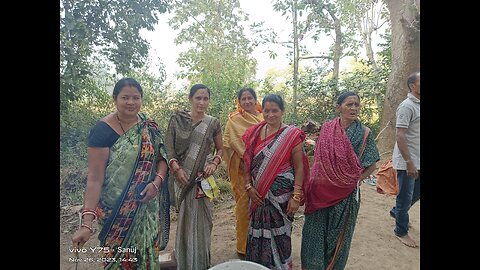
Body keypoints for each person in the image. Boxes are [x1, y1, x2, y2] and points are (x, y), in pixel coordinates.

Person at [71, 77, 170, 269]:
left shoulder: (148, 126)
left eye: (136, 97)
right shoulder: (102, 131)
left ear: (141, 99)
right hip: (115, 214)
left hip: (146, 210)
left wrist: (156, 183)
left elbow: (162, 160)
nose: (131, 102)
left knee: (147, 258)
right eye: (125, 97)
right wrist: (87, 223)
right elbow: (94, 179)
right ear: (115, 99)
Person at [302, 91, 380, 270]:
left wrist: (355, 181)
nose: (353, 108)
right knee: (314, 233)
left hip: (346, 196)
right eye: (349, 104)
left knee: (338, 237)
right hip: (320, 193)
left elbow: (372, 165)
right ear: (338, 108)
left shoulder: (365, 134)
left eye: (356, 105)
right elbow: (320, 161)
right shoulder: (327, 129)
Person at [242, 94, 309, 269]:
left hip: (281, 197)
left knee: (281, 235)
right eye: (266, 110)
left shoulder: (292, 135)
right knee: (256, 234)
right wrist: (248, 186)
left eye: (275, 111)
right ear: (261, 111)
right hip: (257, 195)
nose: (270, 115)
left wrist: (296, 196)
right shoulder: (254, 133)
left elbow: (299, 167)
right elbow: (246, 162)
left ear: (282, 111)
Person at [165, 84, 224, 270]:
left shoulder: (213, 123)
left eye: (205, 98)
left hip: (202, 180)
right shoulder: (177, 120)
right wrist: (176, 168)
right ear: (190, 98)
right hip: (181, 178)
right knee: (184, 221)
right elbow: (168, 148)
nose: (201, 102)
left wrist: (214, 163)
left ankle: (200, 262)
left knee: (204, 221)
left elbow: (220, 148)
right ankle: (185, 262)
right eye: (198, 98)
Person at [223, 87, 264, 256]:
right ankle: (244, 247)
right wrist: (244, 162)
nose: (247, 102)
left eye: (250, 98)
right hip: (242, 173)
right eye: (243, 99)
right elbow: (228, 147)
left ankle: (263, 246)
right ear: (239, 102)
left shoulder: (265, 117)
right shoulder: (234, 120)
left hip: (265, 171)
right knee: (244, 210)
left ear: (255, 100)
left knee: (263, 208)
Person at [390, 71, 420, 248]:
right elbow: (400, 136)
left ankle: (396, 212)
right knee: (405, 197)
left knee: (415, 194)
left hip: (418, 158)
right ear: (412, 86)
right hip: (408, 160)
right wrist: (409, 162)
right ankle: (401, 230)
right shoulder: (407, 106)